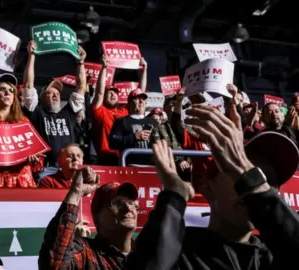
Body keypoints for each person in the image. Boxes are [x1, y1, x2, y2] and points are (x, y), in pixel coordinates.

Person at [125, 103, 299, 269]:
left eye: (268, 181)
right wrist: (173, 197)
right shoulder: (180, 252)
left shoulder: (274, 257)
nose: (252, 183)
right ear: (207, 188)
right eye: (235, 171)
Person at [39, 166, 138, 269]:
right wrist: (76, 191)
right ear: (97, 217)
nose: (128, 208)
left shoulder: (146, 253)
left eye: (131, 203)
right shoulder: (85, 251)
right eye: (117, 203)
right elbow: (55, 264)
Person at [22, 41, 87, 174]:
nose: (55, 95)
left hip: (70, 169)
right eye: (50, 93)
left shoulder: (68, 113)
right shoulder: (37, 113)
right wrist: (32, 56)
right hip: (46, 169)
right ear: (41, 98)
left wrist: (80, 63)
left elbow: (81, 88)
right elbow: (28, 85)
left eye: (57, 93)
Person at [109, 89, 156, 165]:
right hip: (130, 167)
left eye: (143, 99)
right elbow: (113, 142)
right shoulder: (121, 121)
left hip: (151, 167)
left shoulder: (152, 122)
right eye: (137, 98)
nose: (141, 101)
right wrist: (134, 137)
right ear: (129, 103)